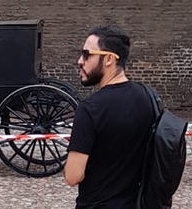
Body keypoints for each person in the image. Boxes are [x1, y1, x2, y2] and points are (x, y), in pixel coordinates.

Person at [64, 26, 156, 209]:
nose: (80, 61)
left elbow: (73, 176)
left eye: (86, 54)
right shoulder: (149, 97)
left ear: (108, 59)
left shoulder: (90, 109)